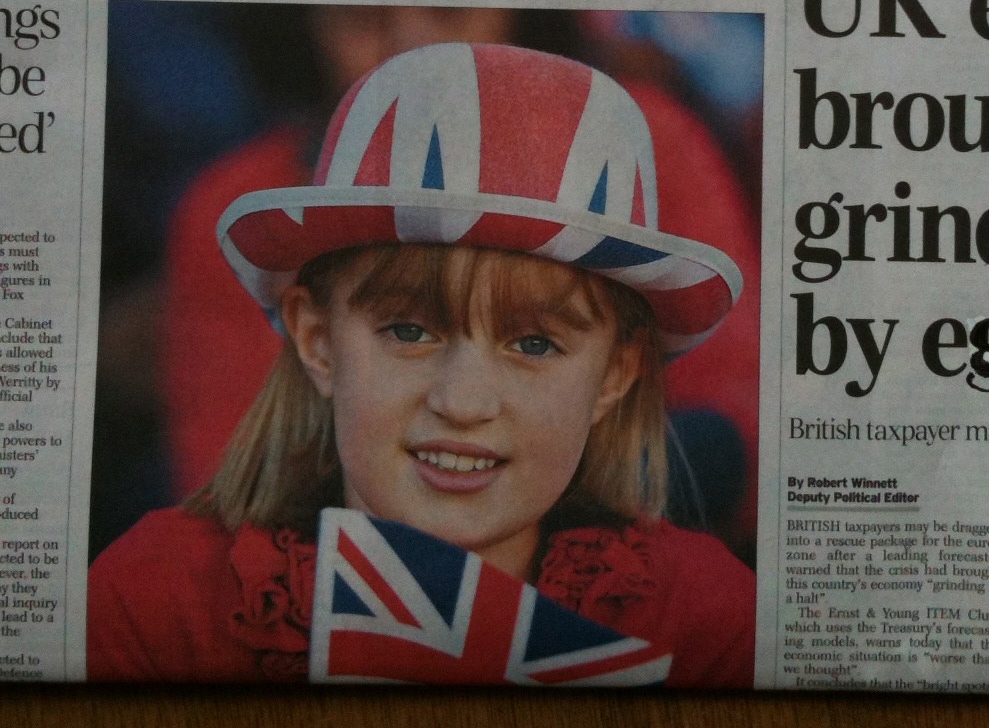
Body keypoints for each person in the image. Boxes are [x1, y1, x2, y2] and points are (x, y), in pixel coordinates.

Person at [89, 43, 757, 686]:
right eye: (408, 331)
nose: (462, 403)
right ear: (317, 341)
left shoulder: (708, 619)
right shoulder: (160, 603)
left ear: (615, 374)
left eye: (534, 345)